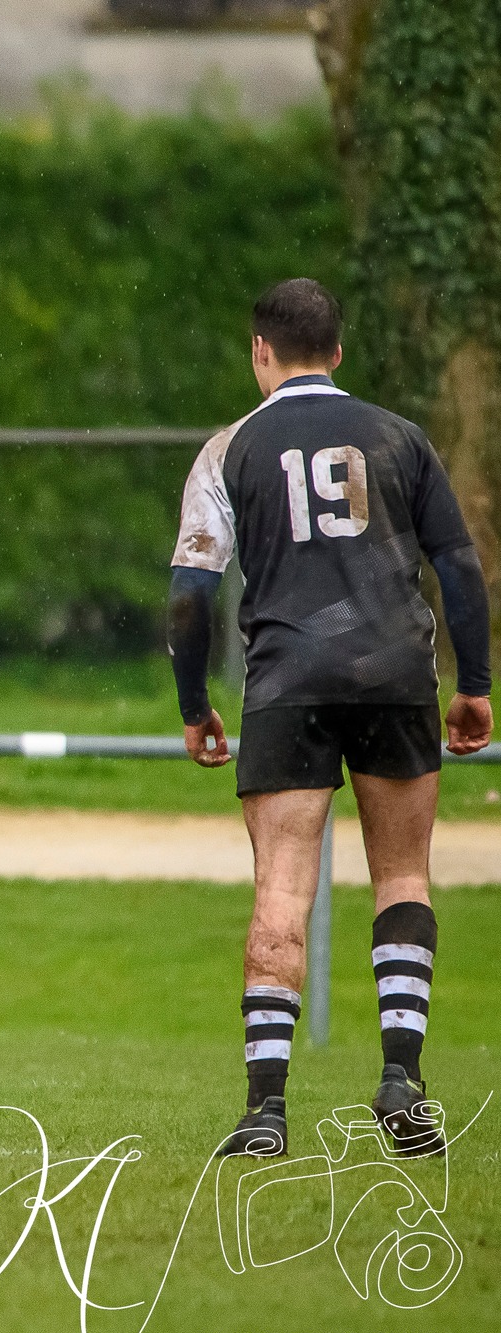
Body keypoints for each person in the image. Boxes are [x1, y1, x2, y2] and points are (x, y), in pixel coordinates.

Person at [167, 278, 492, 1158]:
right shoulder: (401, 438)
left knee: (280, 886)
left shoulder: (228, 448)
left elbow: (192, 595)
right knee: (403, 878)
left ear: (259, 351)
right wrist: (476, 684)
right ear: (338, 352)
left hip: (286, 684)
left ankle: (266, 1111)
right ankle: (401, 1080)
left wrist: (195, 704)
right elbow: (457, 565)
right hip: (394, 675)